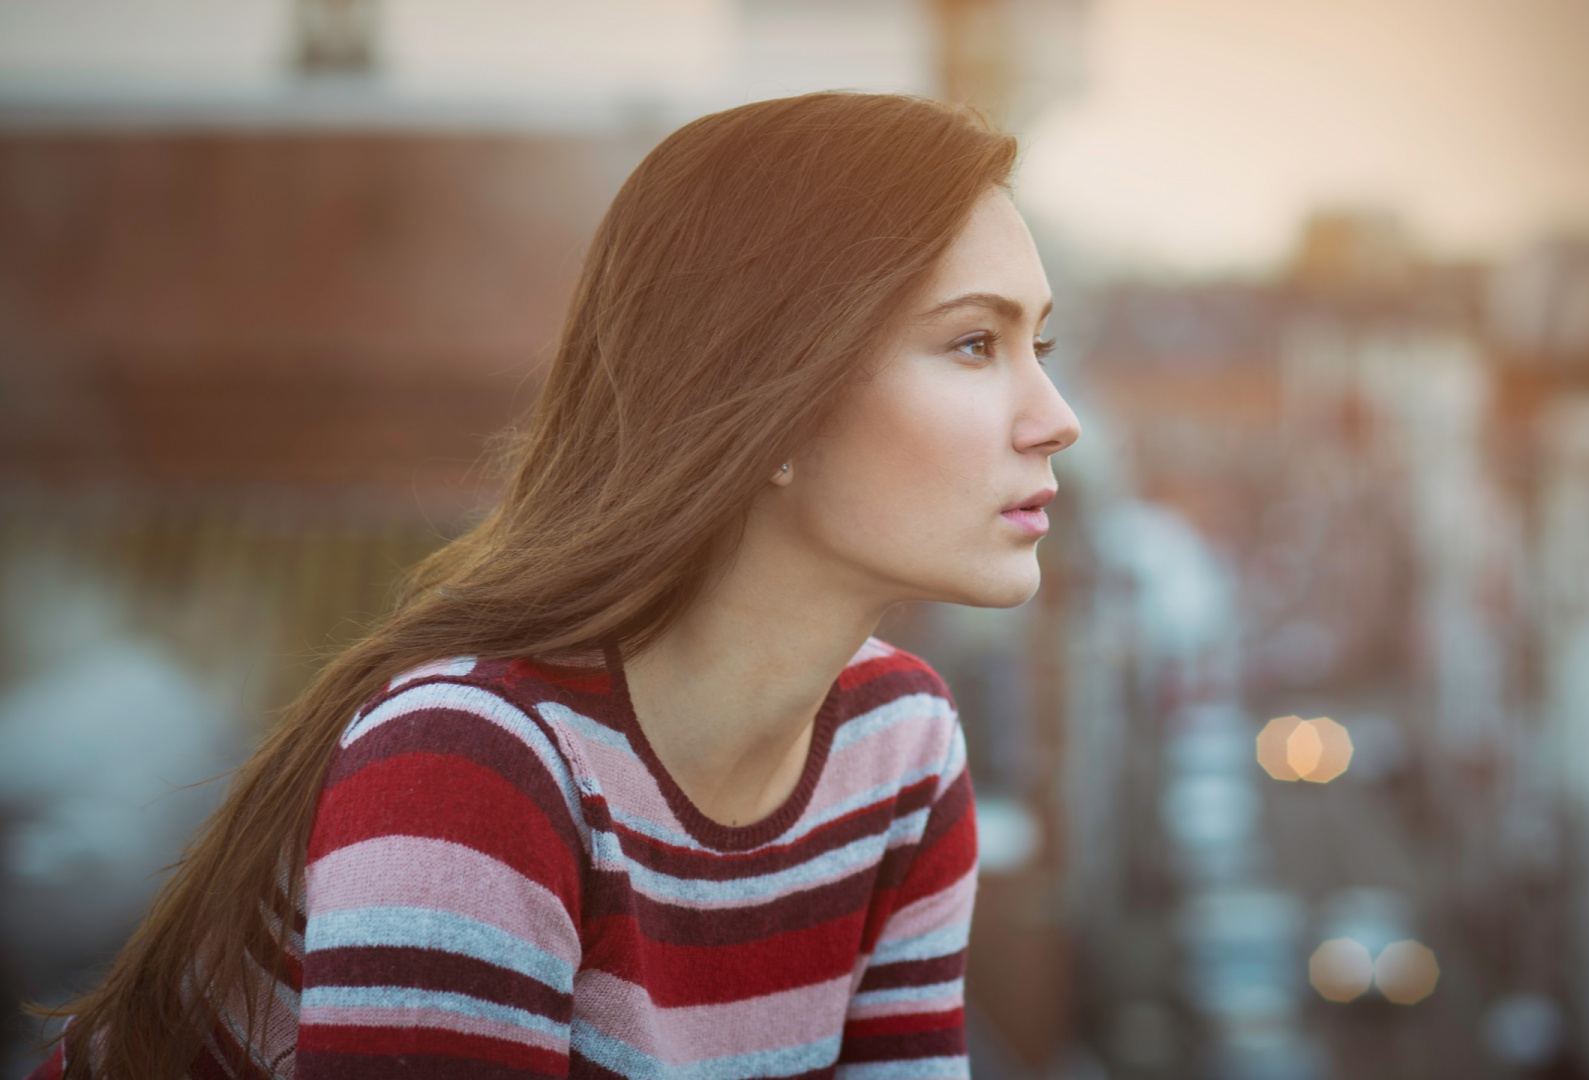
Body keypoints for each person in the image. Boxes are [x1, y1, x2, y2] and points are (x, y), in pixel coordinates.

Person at [26, 90, 1079, 1079]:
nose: (1056, 417)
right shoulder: (472, 765)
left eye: (1040, 344)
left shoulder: (899, 747)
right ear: (775, 399)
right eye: (975, 344)